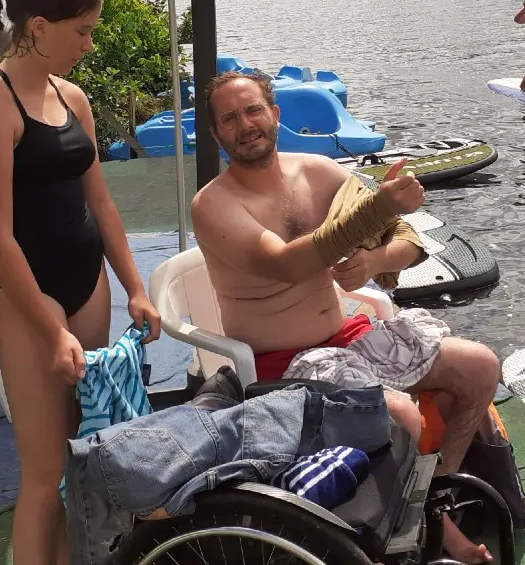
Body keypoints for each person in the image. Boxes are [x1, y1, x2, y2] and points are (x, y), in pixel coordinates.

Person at [190, 71, 503, 564]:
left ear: (275, 114)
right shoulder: (212, 205)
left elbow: (408, 239)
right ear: (215, 134)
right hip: (283, 366)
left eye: (253, 110)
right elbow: (287, 263)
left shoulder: (317, 171)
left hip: (350, 338)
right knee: (397, 412)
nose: (245, 124)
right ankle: (424, 525)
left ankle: (433, 499)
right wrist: (379, 201)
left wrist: (374, 262)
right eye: (229, 118)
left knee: (480, 365)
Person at [0, 0, 161, 565]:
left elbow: (99, 198)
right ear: (39, 27)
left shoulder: (72, 97)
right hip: (25, 295)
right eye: (82, 32)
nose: (89, 45)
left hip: (86, 283)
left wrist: (134, 287)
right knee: (44, 472)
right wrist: (49, 327)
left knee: (84, 453)